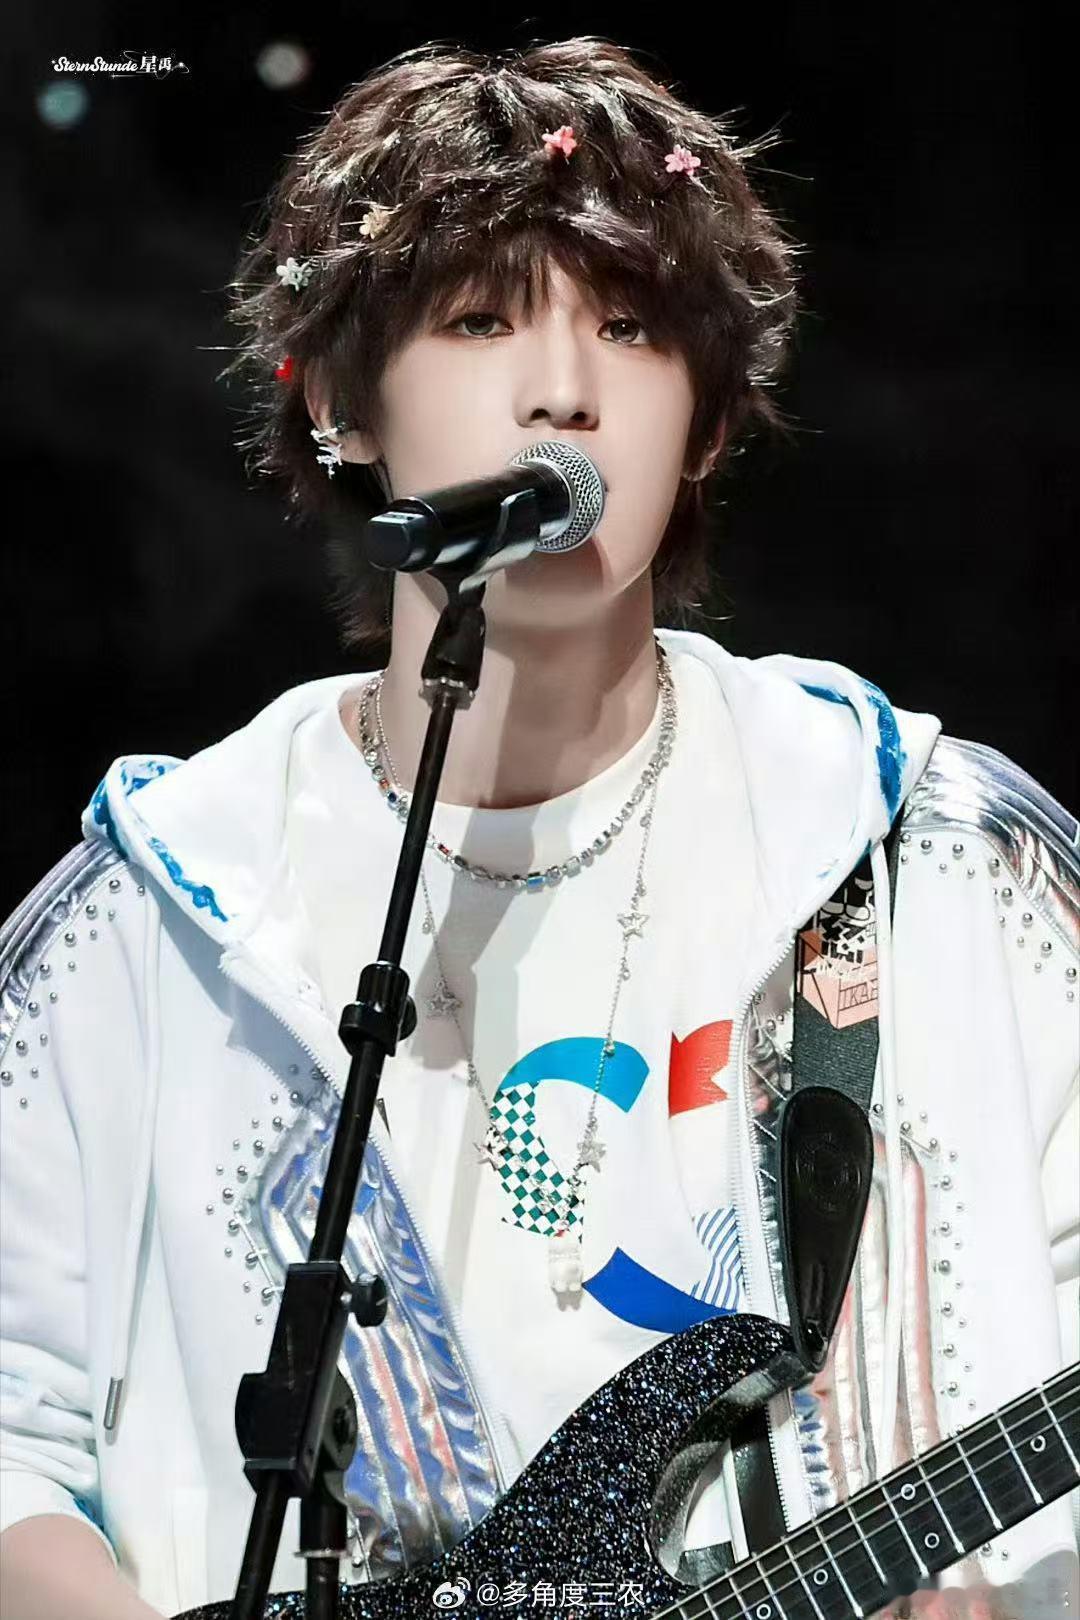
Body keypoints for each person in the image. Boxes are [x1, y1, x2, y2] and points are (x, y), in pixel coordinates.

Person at [1, 36, 1076, 1620]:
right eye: (481, 319)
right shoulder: (154, 913)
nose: (564, 387)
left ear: (707, 426)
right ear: (340, 404)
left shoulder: (937, 859)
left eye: (630, 330)